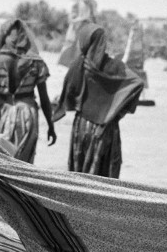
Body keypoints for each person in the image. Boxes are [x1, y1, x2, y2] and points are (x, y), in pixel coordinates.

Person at [58, 23, 144, 178]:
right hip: (107, 128)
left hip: (82, 126)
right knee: (104, 176)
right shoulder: (115, 66)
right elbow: (137, 83)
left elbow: (69, 96)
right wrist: (116, 113)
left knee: (80, 174)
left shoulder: (78, 66)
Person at [0, 19, 56, 162]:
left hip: (3, 114)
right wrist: (50, 125)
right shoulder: (36, 62)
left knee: (3, 160)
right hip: (29, 114)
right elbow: (44, 98)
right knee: (24, 163)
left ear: (3, 37)